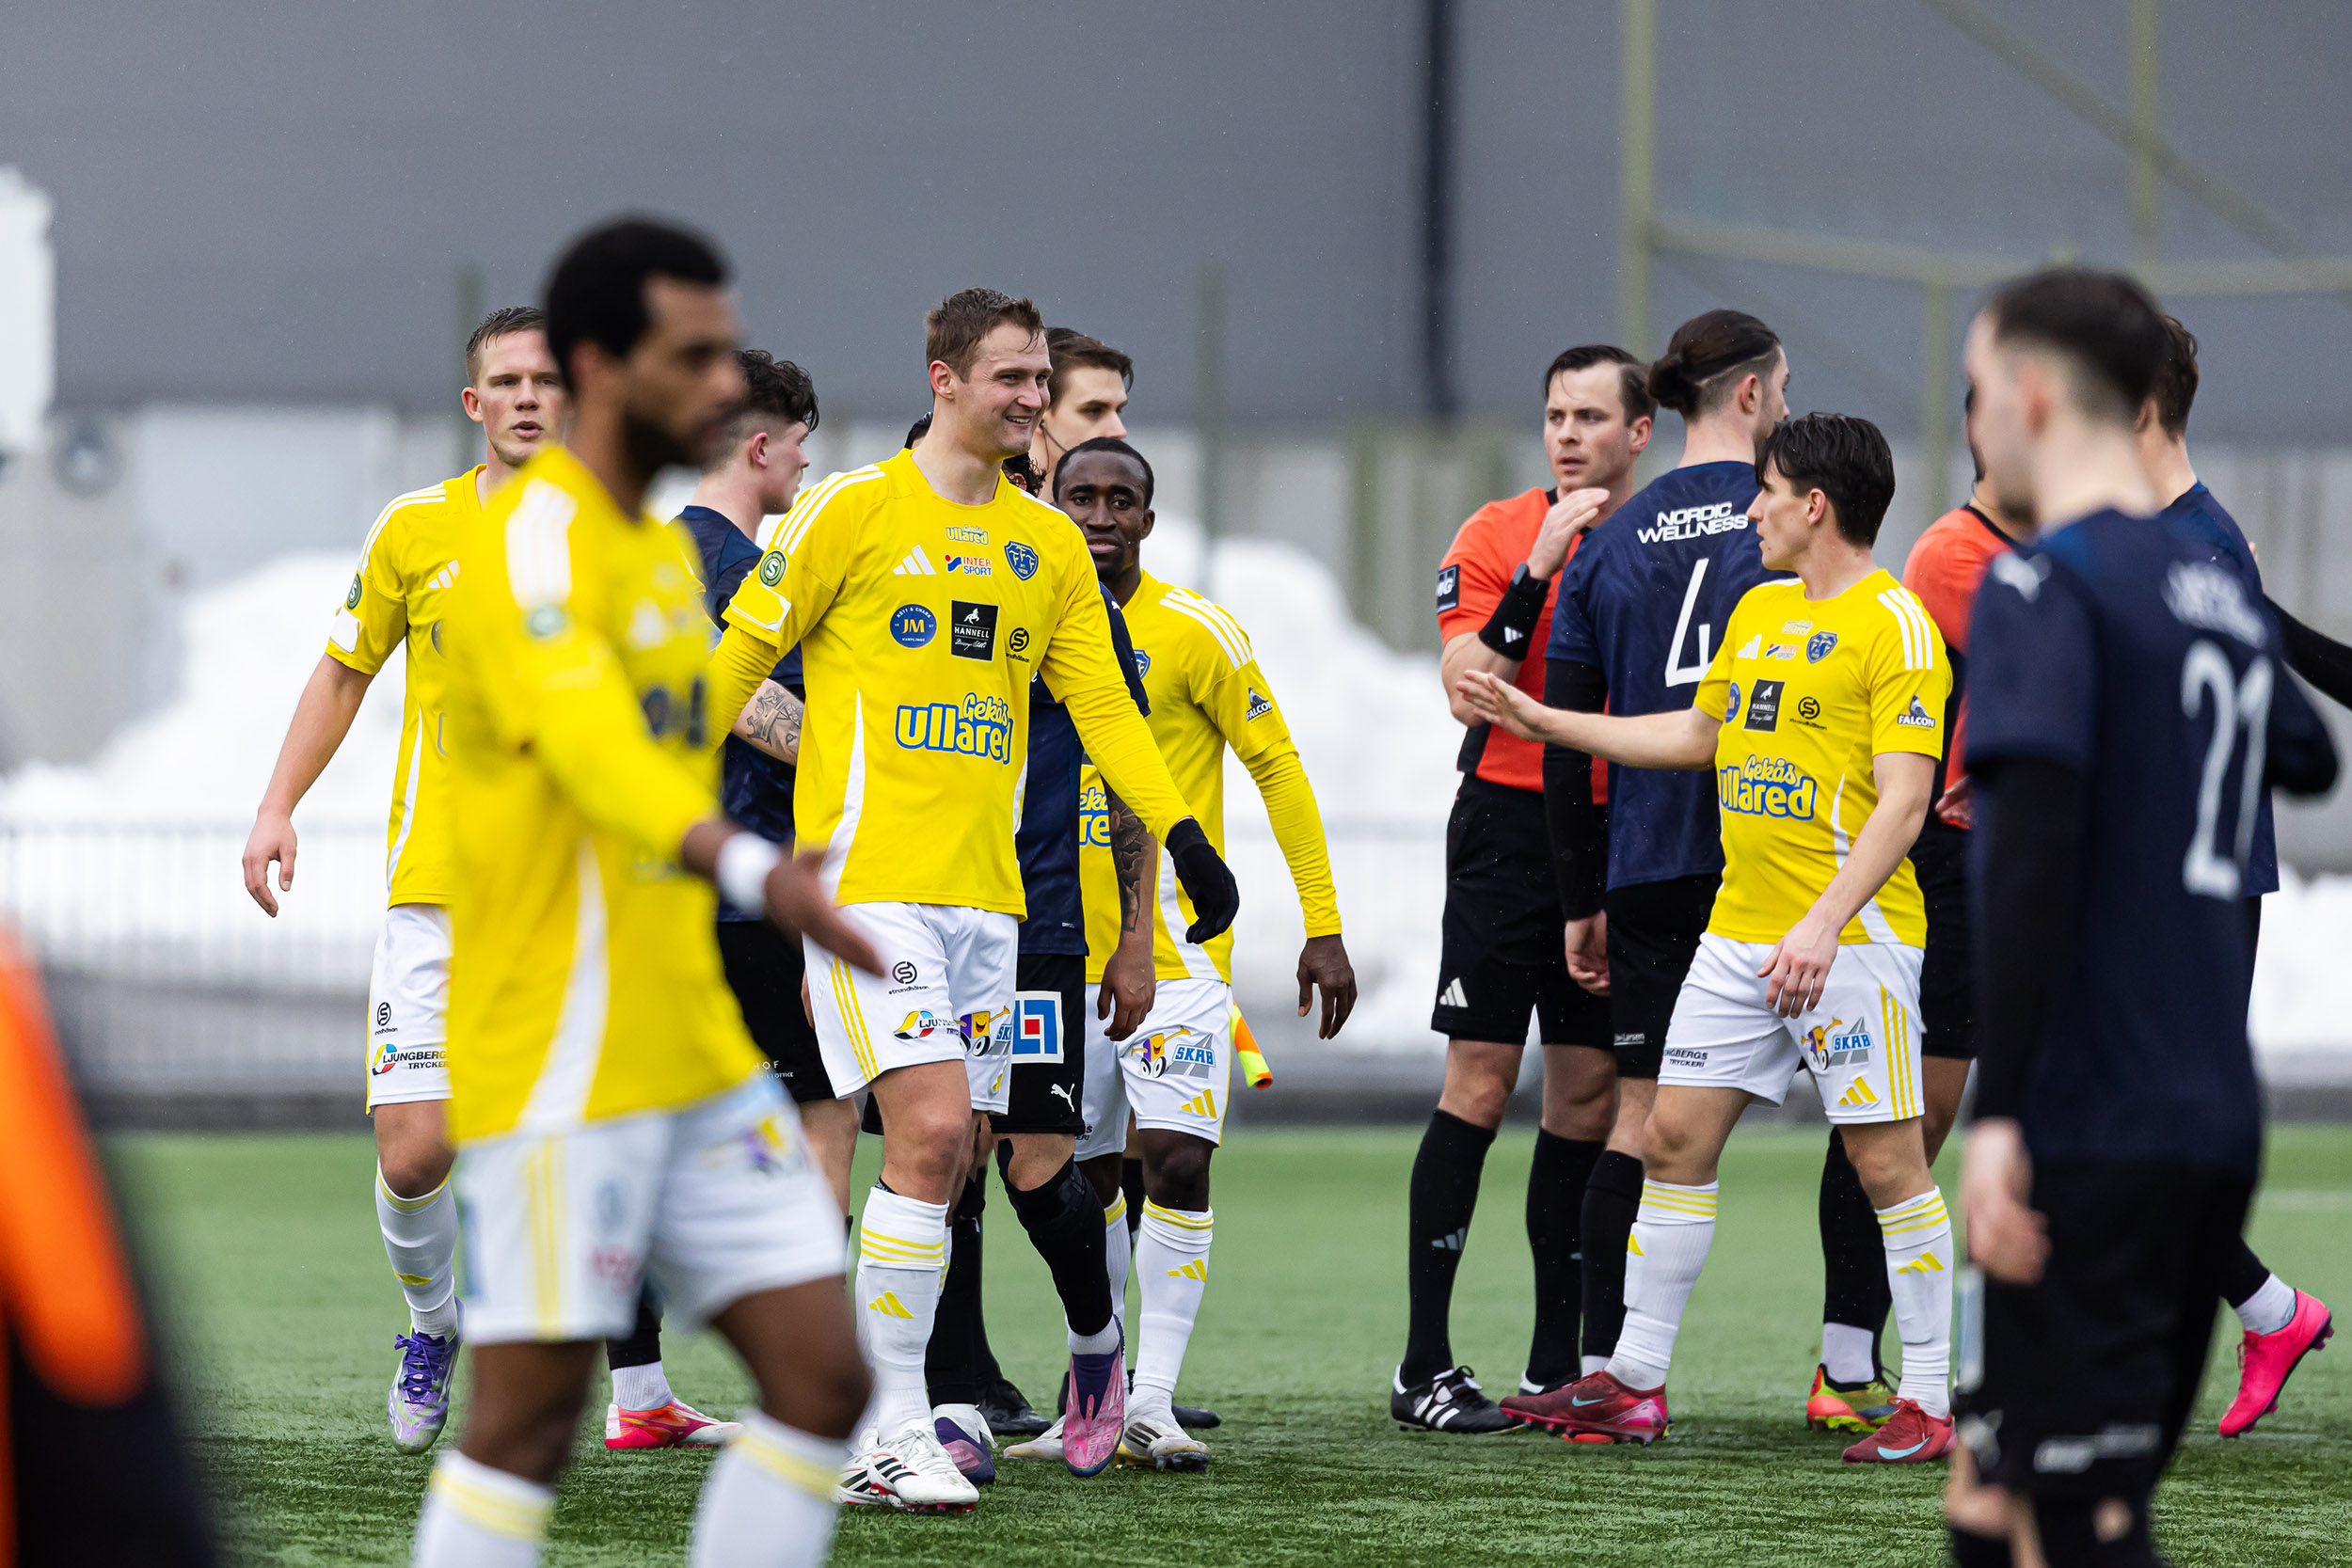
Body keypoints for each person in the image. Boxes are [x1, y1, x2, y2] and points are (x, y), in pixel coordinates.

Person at [708, 293, 1239, 1507]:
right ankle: (879, 1426)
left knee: (954, 1161)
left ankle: (874, 1413)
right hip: (865, 890)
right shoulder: (851, 509)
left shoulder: (1045, 544)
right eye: (1012, 377)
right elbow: (726, 667)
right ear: (942, 378)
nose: (1032, 398)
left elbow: (1107, 710)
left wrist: (1185, 836)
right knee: (934, 1131)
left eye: (1040, 379)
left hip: (988, 906)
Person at [410, 217, 881, 1565]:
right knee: (525, 1422)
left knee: (823, 1379)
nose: (726, 384)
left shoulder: (663, 560)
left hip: (692, 1052)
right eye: (696, 355)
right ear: (603, 367)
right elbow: (593, 751)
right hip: (564, 1057)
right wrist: (748, 862)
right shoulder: (537, 544)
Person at [1463, 412, 1959, 1465]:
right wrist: (1548, 722)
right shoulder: (1761, 608)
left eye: (1767, 491)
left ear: (1814, 504)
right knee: (1673, 1138)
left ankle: (1927, 1398)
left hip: (1854, 942)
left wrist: (1824, 922)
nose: (1752, 510)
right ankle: (1635, 1380)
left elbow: (1905, 803)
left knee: (1888, 1163)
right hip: (1738, 934)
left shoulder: (1896, 625)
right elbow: (1699, 733)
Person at [1944, 268, 2337, 1568]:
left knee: (2075, 1514)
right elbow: (2308, 753)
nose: (1971, 421)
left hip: (2088, 1118)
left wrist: (2000, 1119)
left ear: (2033, 396)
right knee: (1995, 1495)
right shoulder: (2204, 576)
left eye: (1977, 389)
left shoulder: (2041, 583)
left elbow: (2029, 864)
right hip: (2208, 1112)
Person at [240, 307, 564, 1454]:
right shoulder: (415, 527)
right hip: (435, 897)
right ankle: (434, 1325)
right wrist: (276, 806)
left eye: (546, 380)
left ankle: (586, 1382)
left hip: (568, 905)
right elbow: (343, 672)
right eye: (505, 381)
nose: (526, 398)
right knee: (416, 1152)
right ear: (475, 403)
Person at [1499, 309, 1790, 1426]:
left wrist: (1583, 898)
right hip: (1790, 862)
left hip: (1653, 859)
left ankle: (1609, 1369)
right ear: (1753, 394)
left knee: (1639, 1117)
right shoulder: (1795, 516)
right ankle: (1861, 1370)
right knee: (1885, 1131)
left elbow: (1565, 739)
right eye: (1782, 389)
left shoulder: (1611, 539)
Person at [1050, 435, 1358, 1473]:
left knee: (1178, 1159)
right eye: (1080, 496)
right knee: (1078, 1175)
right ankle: (1096, 1386)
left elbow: (1278, 767)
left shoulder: (1195, 629)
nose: (1099, 515)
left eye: (1119, 499)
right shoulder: (1024, 622)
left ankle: (1153, 1400)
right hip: (1048, 946)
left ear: (1148, 517)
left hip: (1177, 952)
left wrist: (1322, 922)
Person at [1393, 344, 1654, 1433]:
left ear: (1639, 431)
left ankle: (1557, 1364)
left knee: (1587, 1094)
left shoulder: (1664, 540)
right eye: (1556, 415)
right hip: (1505, 828)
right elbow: (1470, 690)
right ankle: (1422, 1364)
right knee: (1480, 1079)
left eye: (1591, 416)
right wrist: (1539, 570)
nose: (1568, 434)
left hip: (1619, 829)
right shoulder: (1497, 532)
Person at [590, 347, 828, 1456]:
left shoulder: (639, 555)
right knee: (823, 1114)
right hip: (747, 893)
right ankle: (813, 1382)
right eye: (801, 444)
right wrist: (868, 742)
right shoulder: (738, 566)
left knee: (643, 1134)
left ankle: (640, 1389)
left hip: (648, 889)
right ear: (760, 444)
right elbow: (738, 710)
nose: (807, 466)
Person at [920, 391, 1160, 1483]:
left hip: (1042, 919)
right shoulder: (909, 561)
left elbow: (1126, 772)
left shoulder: (1071, 595)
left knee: (1035, 1160)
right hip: (923, 903)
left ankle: (1095, 1342)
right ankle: (937, 1402)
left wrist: (1135, 938)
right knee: (937, 1153)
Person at [1804, 389, 2028, 1434]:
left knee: (1956, 1115)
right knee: (1902, 1119)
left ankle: (1942, 1362)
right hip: (1944, 858)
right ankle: (1851, 1357)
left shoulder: (2057, 551)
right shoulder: (1951, 558)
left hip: (2020, 859)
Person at [2131, 316, 2335, 1439]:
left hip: (2191, 884)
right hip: (2162, 879)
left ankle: (2250, 1319)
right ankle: (2262, 1312)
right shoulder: (2182, 539)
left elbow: (2282, 738)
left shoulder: (2191, 544)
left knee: (2143, 1130)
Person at [1027, 327, 1132, 494]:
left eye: (1118, 410)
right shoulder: (988, 503)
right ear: (1037, 414)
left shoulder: (1128, 506)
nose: (1119, 431)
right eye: (1094, 411)